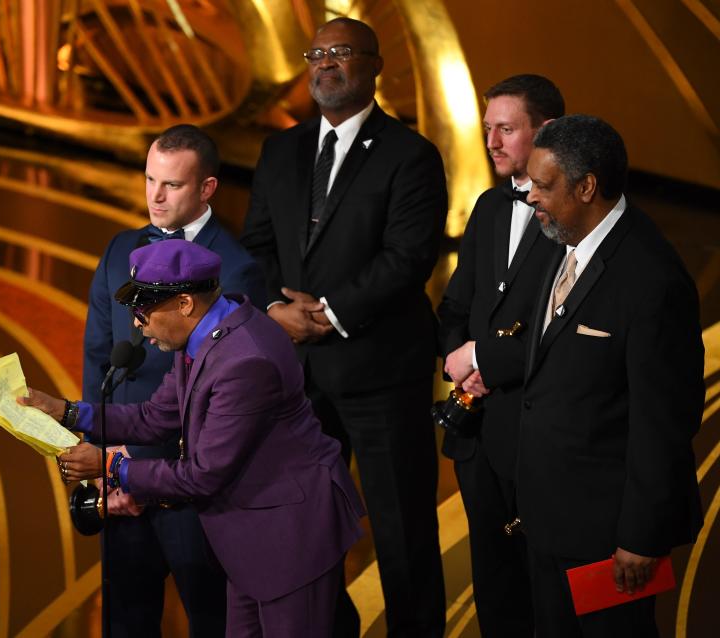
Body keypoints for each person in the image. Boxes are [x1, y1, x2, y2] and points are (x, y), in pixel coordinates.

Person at [22, 239, 366, 637]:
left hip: (289, 536)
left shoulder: (244, 361)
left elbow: (203, 474)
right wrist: (65, 411)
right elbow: (154, 418)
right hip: (250, 536)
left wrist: (111, 466)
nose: (137, 322)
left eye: (143, 308)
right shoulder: (207, 335)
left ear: (185, 303)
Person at [241, 16, 448, 637]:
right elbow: (257, 246)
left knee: (402, 530)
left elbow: (408, 258)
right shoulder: (282, 149)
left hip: (381, 374)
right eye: (316, 53)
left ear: (374, 65)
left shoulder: (411, 155)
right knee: (306, 528)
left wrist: (326, 314)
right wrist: (277, 311)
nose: (325, 64)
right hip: (297, 379)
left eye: (341, 53)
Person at [519, 114, 704, 637]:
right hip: (549, 520)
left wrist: (641, 537)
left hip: (609, 539)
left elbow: (664, 423)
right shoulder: (561, 236)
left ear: (587, 187)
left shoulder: (652, 281)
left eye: (543, 185)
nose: (530, 196)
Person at [81, 124, 265, 637]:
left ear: (207, 189)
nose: (155, 196)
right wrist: (106, 461)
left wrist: (140, 469)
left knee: (210, 618)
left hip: (192, 486)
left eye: (172, 185)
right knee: (126, 619)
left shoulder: (236, 269)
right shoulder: (120, 251)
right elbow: (97, 359)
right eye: (148, 179)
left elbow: (223, 399)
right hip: (120, 474)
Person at [436, 74, 565, 636]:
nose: (491, 142)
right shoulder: (489, 206)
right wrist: (457, 362)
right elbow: (455, 308)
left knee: (547, 592)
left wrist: (485, 361)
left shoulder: (570, 215)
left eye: (506, 129)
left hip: (536, 434)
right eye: (488, 128)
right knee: (493, 587)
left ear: (547, 131)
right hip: (477, 437)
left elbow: (555, 326)